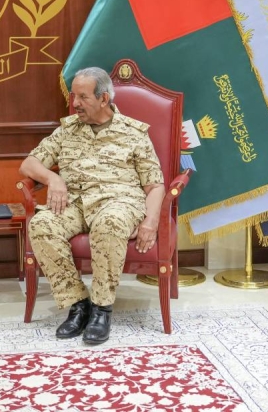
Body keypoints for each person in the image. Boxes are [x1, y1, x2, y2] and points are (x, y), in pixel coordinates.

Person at [21, 66, 165, 344]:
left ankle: (102, 308)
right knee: (42, 224)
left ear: (104, 98)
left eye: (83, 97)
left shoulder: (133, 133)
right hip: (75, 203)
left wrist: (151, 221)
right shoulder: (67, 130)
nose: (75, 103)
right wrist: (53, 178)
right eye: (74, 96)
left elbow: (155, 185)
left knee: (109, 223)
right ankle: (78, 304)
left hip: (118, 202)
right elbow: (29, 164)